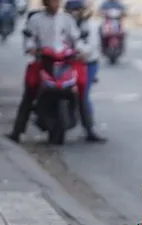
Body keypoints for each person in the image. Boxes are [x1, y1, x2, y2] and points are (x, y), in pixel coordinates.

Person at [6, 0, 104, 143]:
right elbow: (29, 38)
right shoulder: (35, 19)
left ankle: (89, 128)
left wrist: (81, 51)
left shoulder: (67, 19)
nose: (55, 4)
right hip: (43, 61)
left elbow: (76, 40)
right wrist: (32, 48)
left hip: (65, 62)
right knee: (30, 89)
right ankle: (17, 130)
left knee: (81, 88)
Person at [65, 0, 106, 142]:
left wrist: (78, 52)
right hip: (66, 62)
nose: (75, 13)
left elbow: (91, 47)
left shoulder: (91, 26)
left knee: (83, 95)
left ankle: (89, 128)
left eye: (78, 9)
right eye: (72, 10)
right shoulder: (63, 23)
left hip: (87, 64)